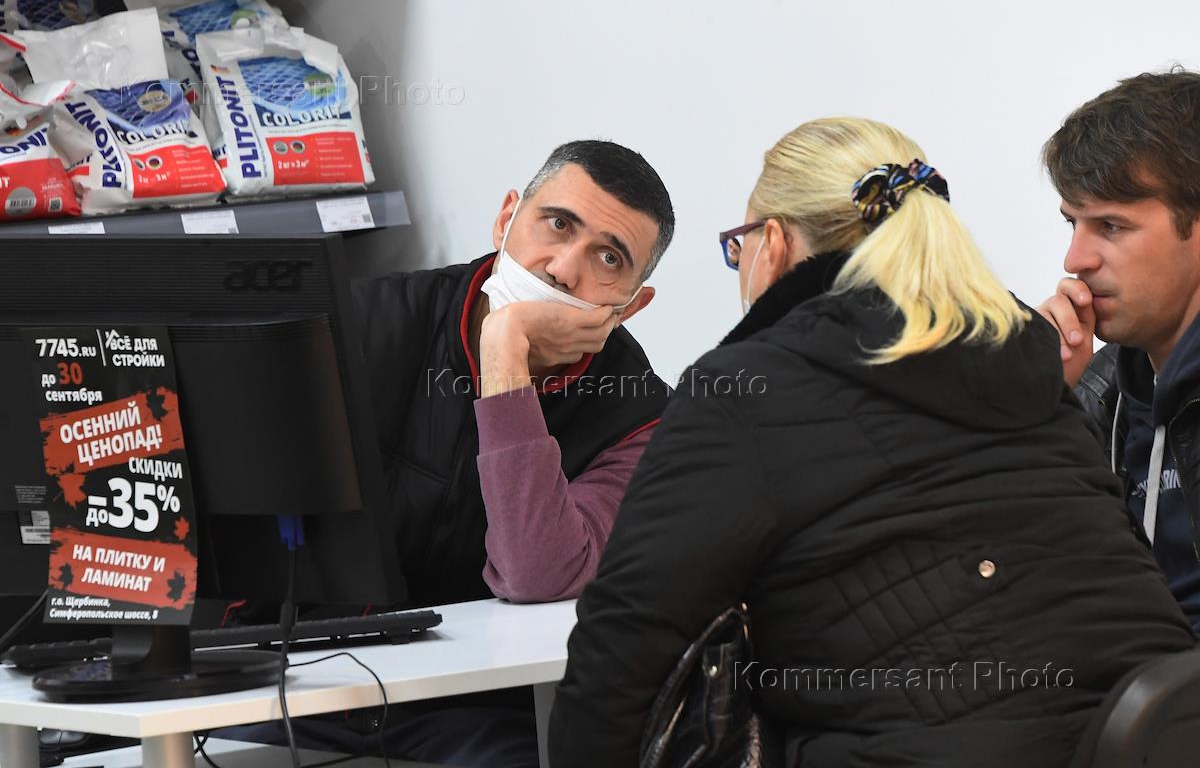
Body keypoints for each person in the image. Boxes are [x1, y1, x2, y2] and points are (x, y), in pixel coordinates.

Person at [548, 117, 1194, 768]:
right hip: (1160, 735)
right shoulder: (1025, 360)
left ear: (774, 243)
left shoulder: (742, 390)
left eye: (739, 246)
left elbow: (622, 653)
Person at [221, 139, 675, 768]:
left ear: (631, 306)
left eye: (608, 257)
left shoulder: (644, 422)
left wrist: (504, 351)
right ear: (506, 217)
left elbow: (534, 575)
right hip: (299, 690)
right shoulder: (354, 323)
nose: (563, 269)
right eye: (557, 224)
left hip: (480, 717)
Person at [1038, 70, 1200, 631]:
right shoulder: (1098, 387)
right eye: (1072, 223)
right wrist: (1040, 412)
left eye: (1110, 225)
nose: (1075, 260)